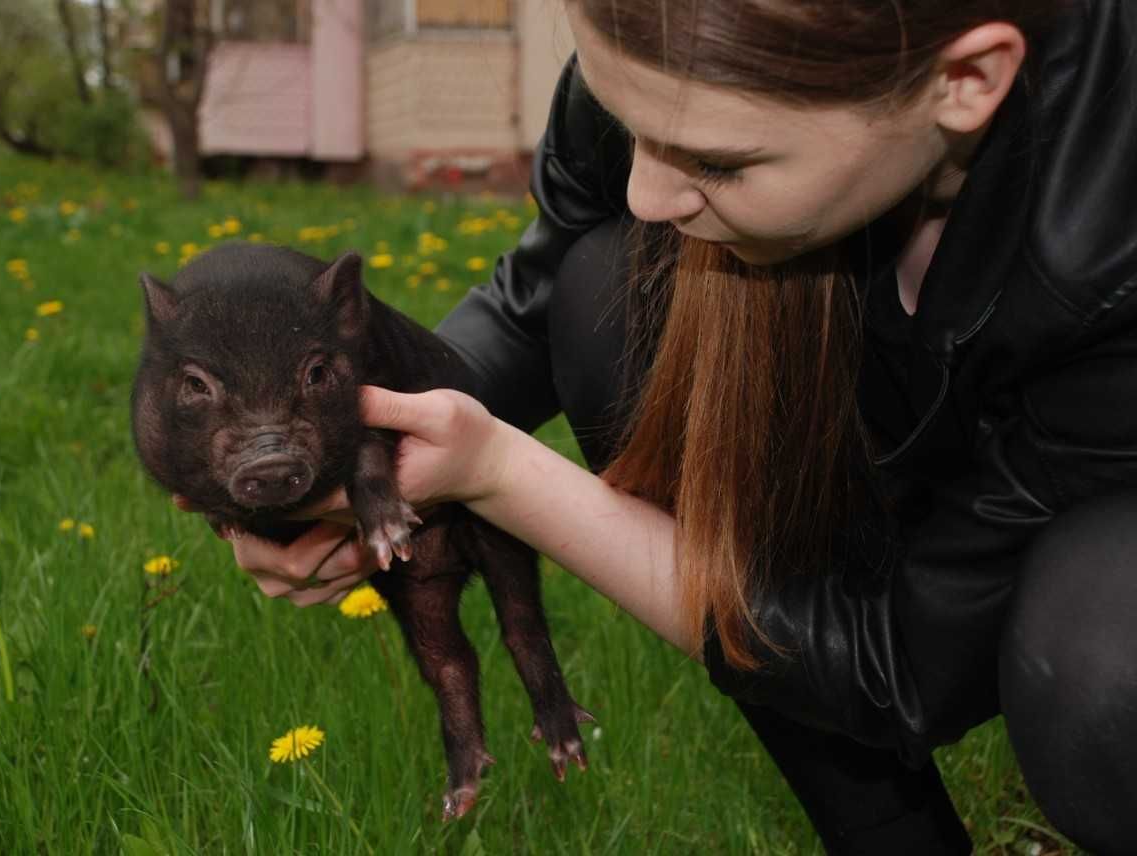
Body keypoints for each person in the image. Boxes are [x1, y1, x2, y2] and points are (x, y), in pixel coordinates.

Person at [178, 1, 1137, 852]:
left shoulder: (1110, 248)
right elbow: (535, 299)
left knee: (1106, 676)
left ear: (965, 79)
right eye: (624, 122)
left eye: (719, 161)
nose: (647, 195)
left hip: (1093, 509)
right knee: (607, 297)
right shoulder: (675, 46)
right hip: (902, 431)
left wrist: (504, 476)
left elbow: (907, 668)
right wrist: (346, 471)